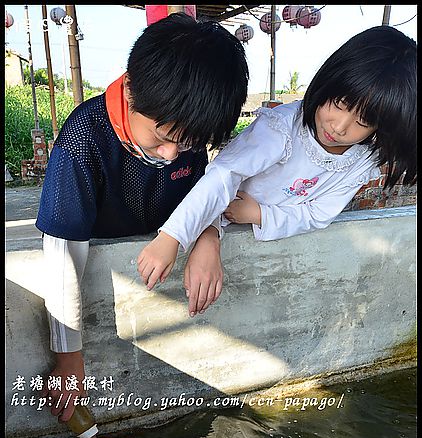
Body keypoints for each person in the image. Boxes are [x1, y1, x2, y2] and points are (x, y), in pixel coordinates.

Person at [35, 12, 249, 422]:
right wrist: (68, 358)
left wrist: (208, 237)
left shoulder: (186, 135)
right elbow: (62, 251)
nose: (173, 154)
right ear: (131, 89)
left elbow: (200, 198)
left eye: (189, 142)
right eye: (164, 138)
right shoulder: (83, 138)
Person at [137, 25, 417, 293]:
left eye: (363, 120)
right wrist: (173, 236)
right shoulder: (281, 128)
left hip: (272, 259)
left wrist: (259, 215)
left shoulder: (360, 162)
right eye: (339, 104)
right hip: (210, 220)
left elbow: (318, 215)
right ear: (329, 81)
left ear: (382, 126)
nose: (340, 127)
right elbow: (223, 176)